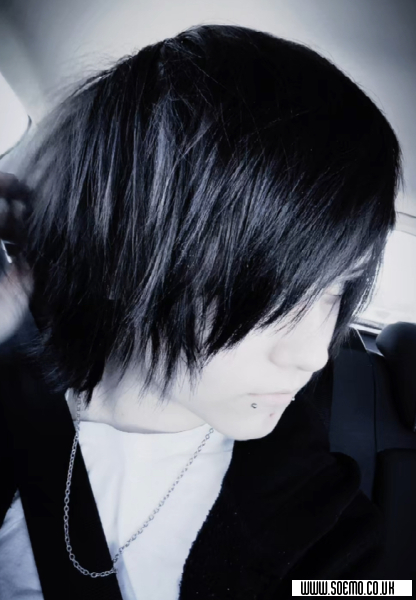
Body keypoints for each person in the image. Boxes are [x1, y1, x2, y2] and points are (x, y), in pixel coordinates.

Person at [0, 23, 403, 599]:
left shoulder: (322, 526)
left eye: (336, 289)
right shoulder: (13, 387)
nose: (314, 354)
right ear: (121, 255)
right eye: (267, 289)